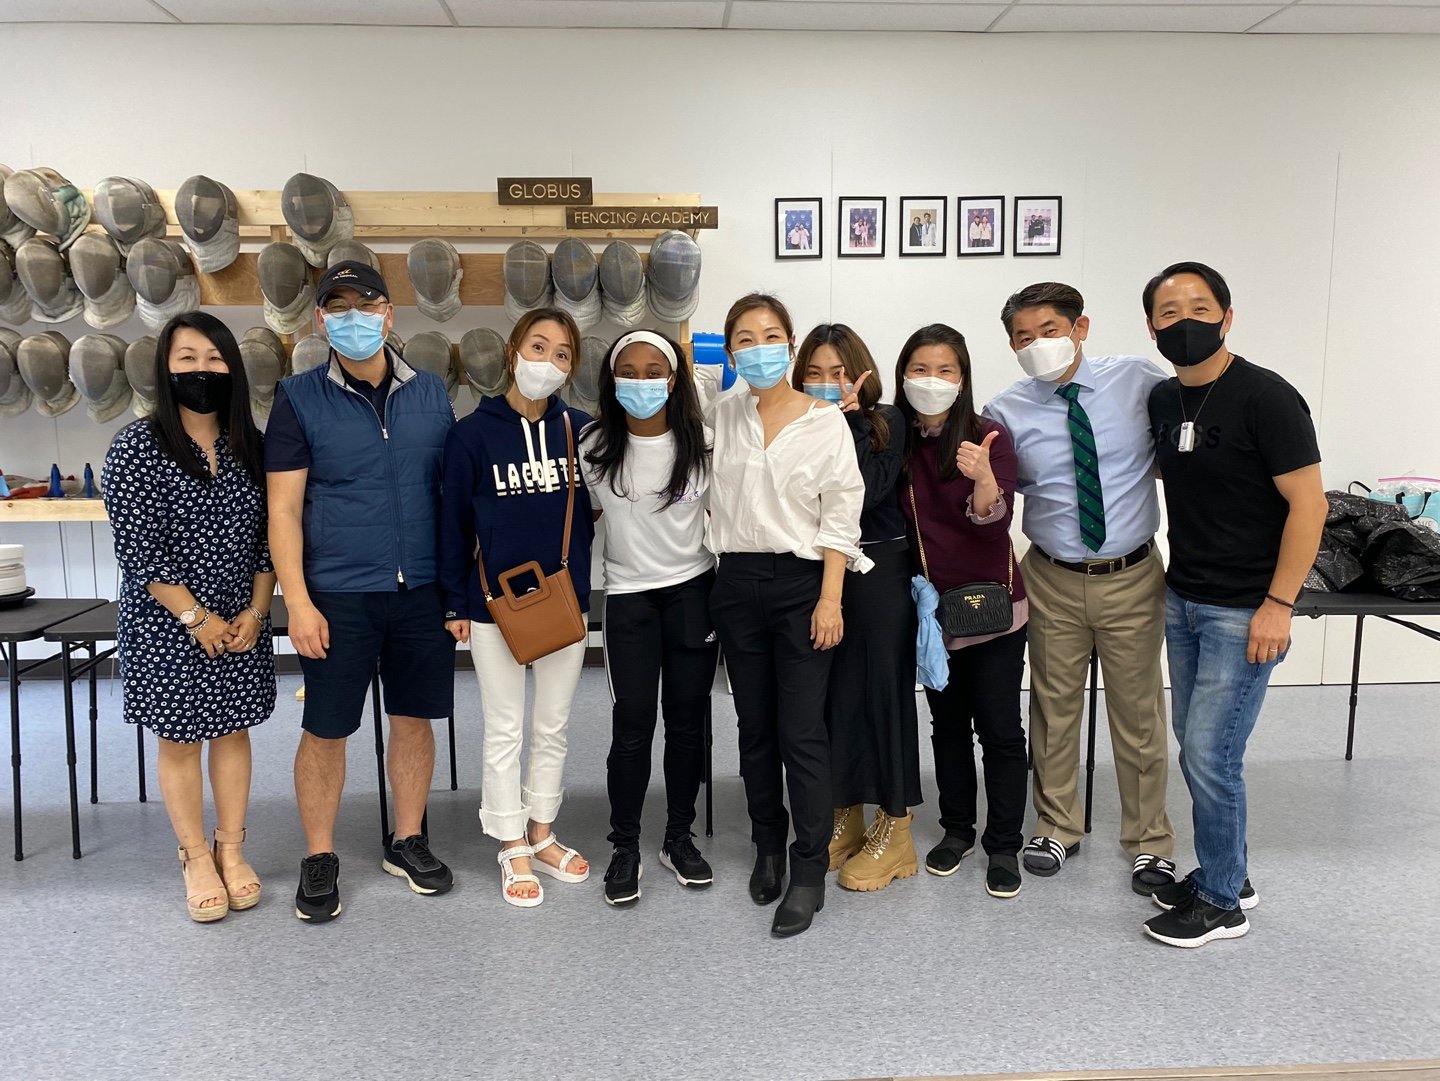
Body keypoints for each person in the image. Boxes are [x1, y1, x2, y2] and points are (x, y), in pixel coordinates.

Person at [1140, 262, 1326, 948]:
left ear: (1227, 315)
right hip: (1184, 597)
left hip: (1246, 609)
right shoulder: (1164, 399)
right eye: (1168, 311)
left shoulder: (1266, 397)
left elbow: (1310, 506)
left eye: (1199, 306)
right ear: (1152, 327)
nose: (1184, 320)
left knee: (1211, 754)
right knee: (1197, 744)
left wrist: (1279, 604)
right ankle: (1227, 872)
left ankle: (1222, 902)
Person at [267, 260, 457, 923]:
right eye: (339, 306)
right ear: (321, 320)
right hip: (338, 594)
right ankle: (319, 854)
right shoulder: (297, 398)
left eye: (366, 303)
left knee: (413, 718)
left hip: (421, 589)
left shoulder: (431, 393)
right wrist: (297, 602)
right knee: (326, 727)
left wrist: (456, 594)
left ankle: (407, 839)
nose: (354, 317)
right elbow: (283, 509)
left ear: (389, 314)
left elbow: (451, 496)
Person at [984, 282, 1176, 895]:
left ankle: (1149, 841)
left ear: (1080, 328)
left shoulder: (1138, 381)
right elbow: (993, 497)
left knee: (1139, 714)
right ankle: (1057, 826)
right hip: (1052, 578)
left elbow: (1176, 453)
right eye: (1023, 337)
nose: (1037, 344)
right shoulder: (1004, 411)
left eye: (1049, 330)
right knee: (1053, 708)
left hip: (1132, 576)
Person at [695, 293, 867, 938]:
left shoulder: (825, 422)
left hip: (802, 587)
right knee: (754, 727)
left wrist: (830, 598)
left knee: (801, 731)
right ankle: (767, 846)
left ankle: (808, 868)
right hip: (736, 582)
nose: (759, 348)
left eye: (771, 336)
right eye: (745, 338)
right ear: (731, 351)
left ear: (790, 346)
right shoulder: (723, 414)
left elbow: (840, 516)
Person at [104, 311, 276, 923]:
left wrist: (256, 611)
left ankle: (232, 849)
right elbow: (139, 550)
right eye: (187, 359)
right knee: (179, 740)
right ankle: (196, 856)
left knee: (233, 732)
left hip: (241, 621)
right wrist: (197, 618)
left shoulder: (251, 445)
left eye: (214, 358)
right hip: (167, 622)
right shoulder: (136, 447)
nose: (202, 370)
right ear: (165, 368)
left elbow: (270, 540)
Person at [439, 308, 596, 909]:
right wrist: (455, 602)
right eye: (538, 346)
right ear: (512, 352)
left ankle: (543, 832)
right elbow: (453, 525)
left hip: (564, 603)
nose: (548, 361)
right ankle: (510, 842)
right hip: (492, 606)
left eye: (562, 354)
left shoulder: (580, 431)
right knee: (504, 726)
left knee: (553, 725)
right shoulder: (470, 436)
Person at [579, 329, 717, 907]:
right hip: (629, 598)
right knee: (632, 726)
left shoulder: (703, 442)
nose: (642, 382)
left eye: (654, 371)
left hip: (693, 593)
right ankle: (626, 846)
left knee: (687, 723)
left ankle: (678, 837)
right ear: (612, 381)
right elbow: (584, 517)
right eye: (629, 372)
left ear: (674, 378)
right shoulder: (592, 445)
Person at [897, 324, 1029, 899]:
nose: (932, 381)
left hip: (995, 611)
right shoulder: (895, 440)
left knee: (999, 729)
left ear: (963, 378)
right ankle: (958, 830)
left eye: (945, 370)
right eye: (920, 369)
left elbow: (993, 526)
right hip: (935, 616)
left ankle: (1003, 844)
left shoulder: (989, 436)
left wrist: (983, 478)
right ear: (903, 376)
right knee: (947, 726)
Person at [793, 324, 921, 893]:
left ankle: (897, 829)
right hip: (821, 572)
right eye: (815, 374)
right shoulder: (794, 424)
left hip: (878, 571)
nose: (827, 383)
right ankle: (844, 817)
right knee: (834, 699)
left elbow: (864, 492)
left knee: (882, 697)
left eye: (839, 373)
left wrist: (846, 421)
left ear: (861, 375)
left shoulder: (885, 422)